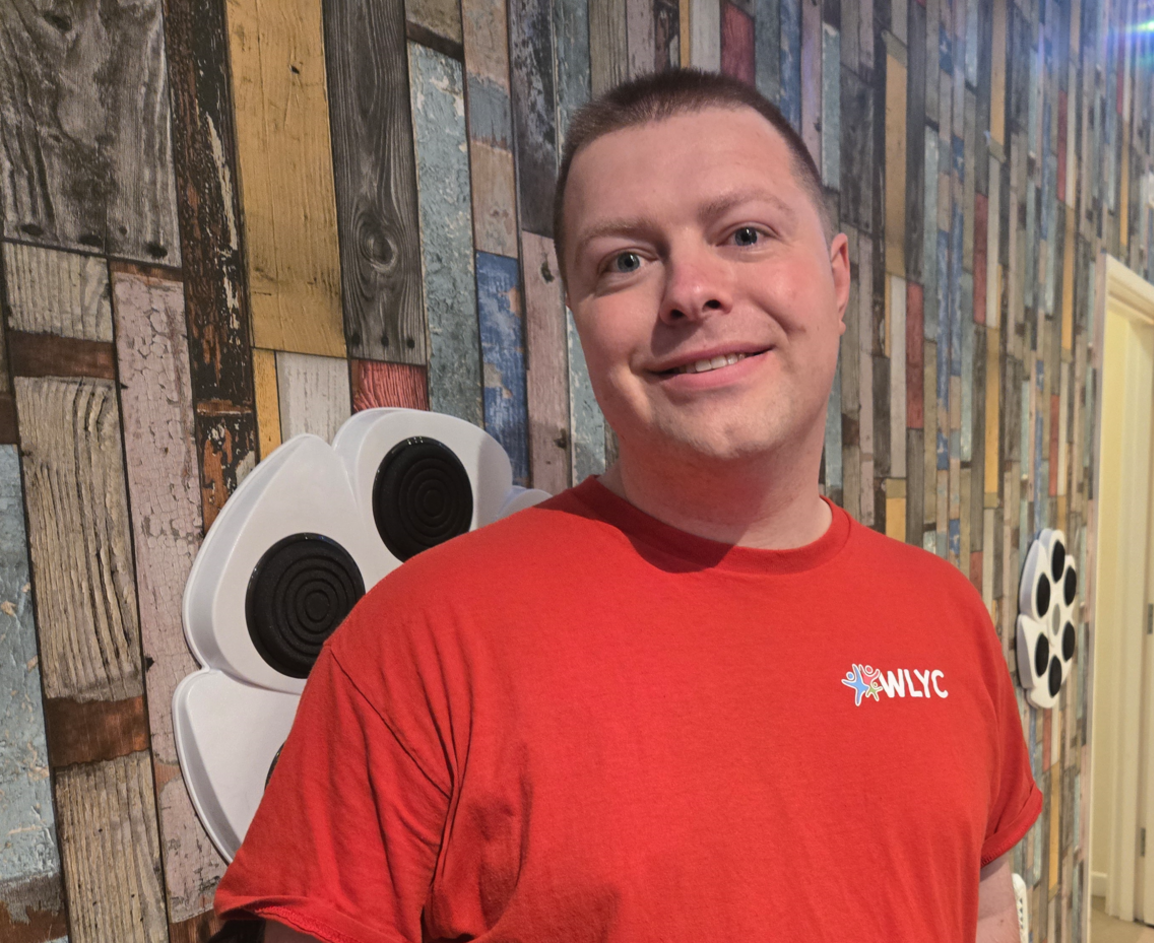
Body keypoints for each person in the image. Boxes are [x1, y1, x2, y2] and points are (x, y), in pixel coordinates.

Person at [215, 69, 1041, 943]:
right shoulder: (425, 641)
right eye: (626, 261)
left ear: (836, 278)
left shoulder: (944, 612)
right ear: (579, 316)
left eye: (746, 233)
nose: (691, 290)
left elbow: (982, 899)